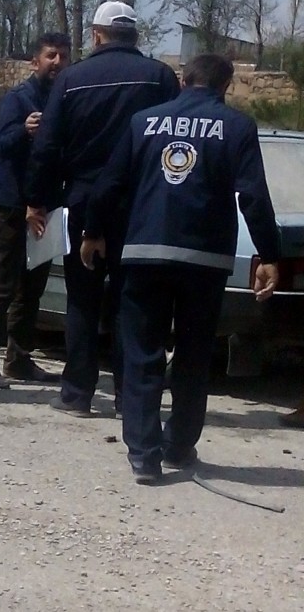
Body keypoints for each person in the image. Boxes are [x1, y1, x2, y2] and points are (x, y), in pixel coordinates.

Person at [80, 54, 279, 483]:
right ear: (226, 85)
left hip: (145, 252)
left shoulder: (143, 122)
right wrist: (269, 254)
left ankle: (143, 455)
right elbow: (254, 198)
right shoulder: (238, 127)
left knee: (141, 353)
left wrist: (93, 231)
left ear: (182, 80)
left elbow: (109, 183)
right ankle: (180, 444)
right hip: (204, 261)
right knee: (193, 354)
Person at [25, 1, 180, 417]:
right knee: (134, 302)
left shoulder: (72, 79)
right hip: (141, 207)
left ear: (96, 35)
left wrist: (37, 200)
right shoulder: (160, 77)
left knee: (82, 300)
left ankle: (77, 393)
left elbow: (47, 146)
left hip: (84, 200)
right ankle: (132, 395)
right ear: (135, 36)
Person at [0, 32, 71, 388]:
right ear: (36, 62)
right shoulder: (19, 98)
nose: (57, 62)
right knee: (4, 282)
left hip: (46, 207)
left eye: (63, 56)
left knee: (33, 287)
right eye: (50, 56)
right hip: (13, 204)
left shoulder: (64, 101)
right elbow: (2, 147)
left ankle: (20, 358)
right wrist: (24, 131)